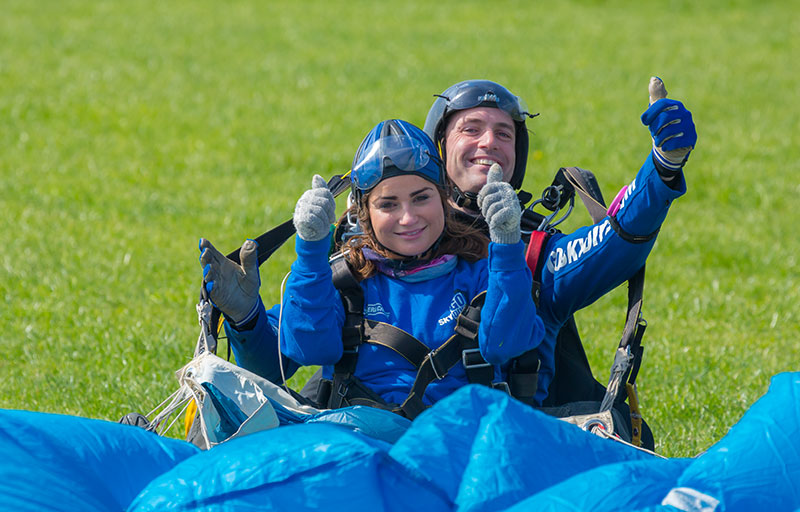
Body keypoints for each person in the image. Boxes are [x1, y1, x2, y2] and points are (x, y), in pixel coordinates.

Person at [199, 77, 696, 413]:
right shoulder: (358, 253)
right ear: (436, 148)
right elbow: (283, 362)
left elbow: (615, 241)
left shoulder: (530, 250)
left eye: (504, 133)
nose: (488, 142)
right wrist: (245, 321)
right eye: (471, 128)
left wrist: (662, 169)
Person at [276, 119, 543, 415]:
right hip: (363, 442)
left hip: (461, 443)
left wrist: (506, 245)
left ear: (443, 199)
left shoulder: (479, 273)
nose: (407, 218)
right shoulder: (346, 282)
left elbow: (507, 343)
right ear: (364, 215)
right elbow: (308, 348)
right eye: (388, 205)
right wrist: (311, 251)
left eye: (421, 198)